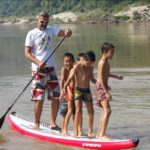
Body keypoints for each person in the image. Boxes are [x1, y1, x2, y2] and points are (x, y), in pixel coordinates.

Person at [24, 11, 72, 130]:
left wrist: (68, 33)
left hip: (50, 69)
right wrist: (38, 62)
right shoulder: (31, 34)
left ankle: (52, 123)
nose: (44, 24)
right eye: (42, 21)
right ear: (37, 20)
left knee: (56, 97)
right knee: (39, 99)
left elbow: (64, 34)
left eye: (46, 22)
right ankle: (37, 124)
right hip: (38, 70)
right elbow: (27, 54)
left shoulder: (51, 30)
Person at [63, 51, 96, 138]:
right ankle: (75, 132)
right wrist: (64, 89)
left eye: (91, 64)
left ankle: (90, 131)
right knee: (78, 110)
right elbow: (69, 78)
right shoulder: (77, 66)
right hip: (78, 90)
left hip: (87, 90)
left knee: (91, 111)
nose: (89, 65)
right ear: (85, 60)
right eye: (88, 63)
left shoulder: (90, 67)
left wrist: (100, 85)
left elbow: (92, 79)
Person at [94, 42, 123, 141]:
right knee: (108, 110)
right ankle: (102, 135)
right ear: (105, 52)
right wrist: (106, 92)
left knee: (105, 111)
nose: (113, 54)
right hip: (100, 88)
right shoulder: (102, 62)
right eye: (112, 52)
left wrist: (116, 77)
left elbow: (106, 74)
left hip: (103, 87)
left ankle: (99, 133)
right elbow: (101, 78)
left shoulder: (106, 62)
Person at [59, 52, 75, 136]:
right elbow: (62, 81)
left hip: (73, 91)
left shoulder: (74, 69)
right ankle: (63, 129)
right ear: (63, 62)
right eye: (66, 61)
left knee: (74, 111)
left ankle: (75, 129)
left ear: (73, 62)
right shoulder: (64, 70)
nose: (68, 63)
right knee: (65, 112)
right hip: (66, 92)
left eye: (69, 61)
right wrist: (62, 91)